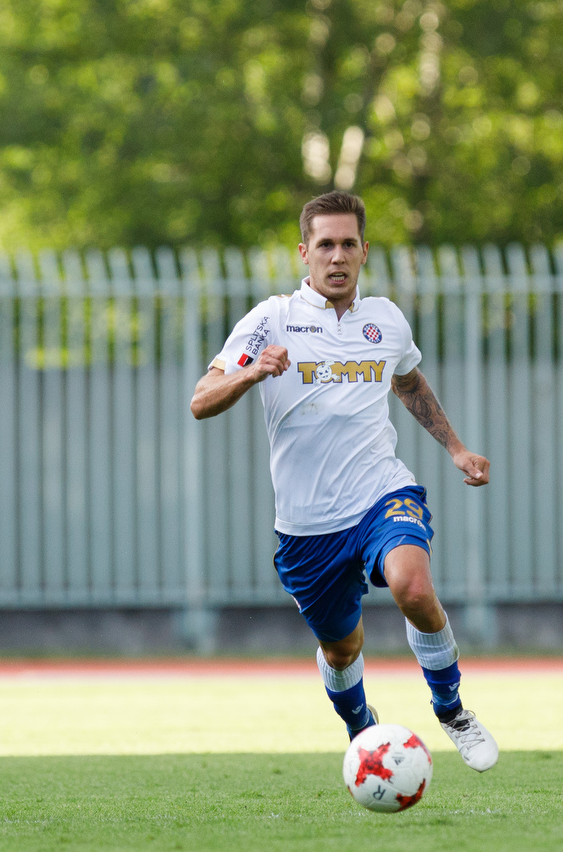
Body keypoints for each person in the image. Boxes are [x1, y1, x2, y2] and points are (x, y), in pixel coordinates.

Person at [190, 191, 499, 771]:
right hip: (307, 524)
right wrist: (254, 372)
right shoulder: (271, 319)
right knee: (341, 647)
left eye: (348, 244)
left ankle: (452, 709)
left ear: (364, 252)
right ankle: (363, 729)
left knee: (412, 586)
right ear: (304, 253)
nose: (337, 257)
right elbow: (201, 401)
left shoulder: (385, 318)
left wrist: (455, 448)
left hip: (381, 492)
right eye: (325, 245)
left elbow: (407, 382)